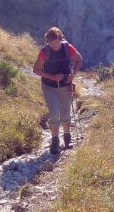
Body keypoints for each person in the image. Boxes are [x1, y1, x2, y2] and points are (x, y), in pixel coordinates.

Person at [33, 26, 83, 155]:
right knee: (54, 113)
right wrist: (52, 77)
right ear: (47, 42)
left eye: (56, 42)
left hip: (65, 85)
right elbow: (36, 69)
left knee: (66, 113)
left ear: (61, 39)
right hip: (49, 86)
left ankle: (67, 138)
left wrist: (73, 75)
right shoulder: (45, 52)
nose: (54, 45)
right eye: (51, 43)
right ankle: (55, 142)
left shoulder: (68, 48)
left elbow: (79, 59)